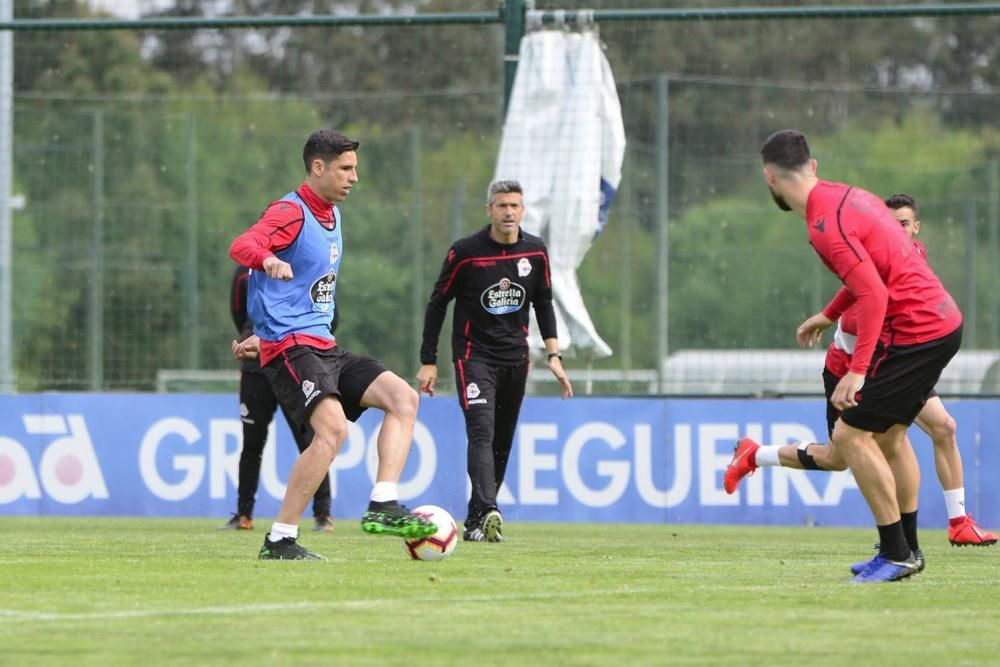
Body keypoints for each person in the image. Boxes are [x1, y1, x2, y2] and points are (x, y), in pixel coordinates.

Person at [748, 130, 963, 583]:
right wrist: (828, 315)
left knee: (848, 436)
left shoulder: (823, 225)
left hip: (916, 332)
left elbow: (874, 293)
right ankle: (907, 550)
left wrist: (858, 371)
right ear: (814, 166)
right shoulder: (850, 197)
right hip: (940, 321)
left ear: (770, 177)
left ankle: (896, 553)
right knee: (890, 439)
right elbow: (873, 274)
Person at [725, 194, 996, 550]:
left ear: (915, 228)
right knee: (841, 458)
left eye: (904, 224)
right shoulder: (874, 268)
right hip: (854, 368)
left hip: (893, 364)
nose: (897, 231)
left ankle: (951, 525)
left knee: (941, 428)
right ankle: (755, 454)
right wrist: (834, 321)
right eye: (891, 224)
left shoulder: (913, 255)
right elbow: (861, 306)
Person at [229, 128, 436, 560]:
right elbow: (243, 244)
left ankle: (383, 504)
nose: (353, 178)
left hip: (322, 344)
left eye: (354, 169)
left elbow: (303, 293)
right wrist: (268, 259)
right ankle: (280, 538)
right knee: (334, 431)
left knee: (403, 398)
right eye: (345, 168)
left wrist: (259, 335)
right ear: (318, 168)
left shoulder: (333, 215)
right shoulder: (291, 211)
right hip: (291, 346)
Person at [417, 180, 573, 543]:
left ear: (522, 210)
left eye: (515, 206)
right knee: (481, 432)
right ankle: (490, 509)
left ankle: (476, 519)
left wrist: (554, 354)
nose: (508, 212)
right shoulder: (466, 253)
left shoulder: (535, 252)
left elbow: (544, 303)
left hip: (516, 359)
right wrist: (429, 360)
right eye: (501, 205)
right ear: (489, 209)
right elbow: (437, 304)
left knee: (501, 440)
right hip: (474, 357)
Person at [219, 264, 334, 533]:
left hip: (294, 365)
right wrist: (255, 335)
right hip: (255, 369)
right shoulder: (245, 271)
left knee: (313, 441)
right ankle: (244, 514)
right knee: (252, 445)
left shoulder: (309, 262)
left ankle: (323, 514)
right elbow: (239, 311)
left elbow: (328, 311)